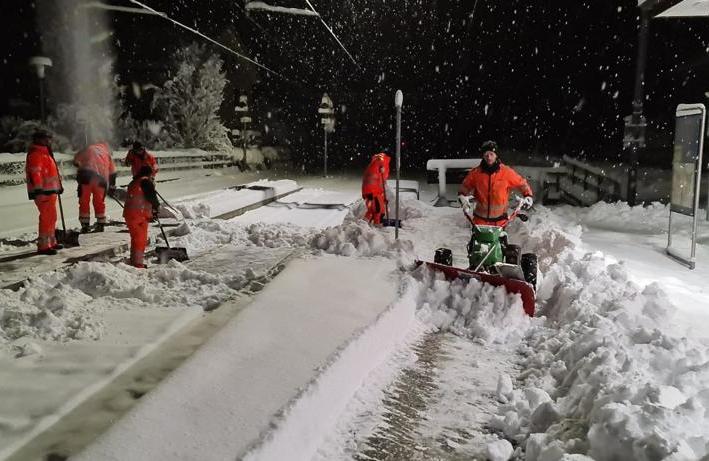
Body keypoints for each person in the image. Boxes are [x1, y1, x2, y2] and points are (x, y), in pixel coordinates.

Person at [458, 140, 533, 226]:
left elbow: (522, 184)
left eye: (491, 154)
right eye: (486, 155)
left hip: (500, 221)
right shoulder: (475, 173)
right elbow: (465, 187)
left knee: (500, 239)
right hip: (479, 221)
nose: (489, 157)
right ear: (483, 156)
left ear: (496, 155)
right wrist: (462, 197)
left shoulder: (506, 172)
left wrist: (528, 196)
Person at [25, 130, 64, 255]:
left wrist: (59, 186)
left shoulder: (46, 153)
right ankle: (43, 246)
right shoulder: (36, 154)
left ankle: (51, 242)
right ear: (38, 139)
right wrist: (38, 188)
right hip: (43, 192)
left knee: (52, 217)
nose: (48, 141)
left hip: (50, 190)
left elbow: (53, 173)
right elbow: (35, 172)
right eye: (46, 139)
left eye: (49, 139)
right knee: (46, 218)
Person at [73, 141, 117, 233]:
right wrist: (112, 185)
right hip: (101, 180)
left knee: (84, 201)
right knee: (99, 201)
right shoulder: (106, 153)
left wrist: (79, 165)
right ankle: (100, 224)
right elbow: (112, 171)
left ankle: (85, 225)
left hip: (86, 177)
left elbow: (76, 160)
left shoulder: (88, 148)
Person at [123, 166, 160, 269]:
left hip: (129, 215)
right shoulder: (145, 182)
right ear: (149, 174)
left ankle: (134, 260)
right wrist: (156, 208)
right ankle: (138, 263)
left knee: (135, 238)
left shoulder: (133, 182)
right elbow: (152, 197)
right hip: (139, 215)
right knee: (140, 240)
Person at [361, 152, 391, 225]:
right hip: (372, 192)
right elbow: (374, 179)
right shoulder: (379, 163)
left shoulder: (376, 163)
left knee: (373, 210)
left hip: (372, 192)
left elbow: (379, 183)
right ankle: (376, 226)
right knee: (377, 210)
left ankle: (363, 225)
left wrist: (383, 198)